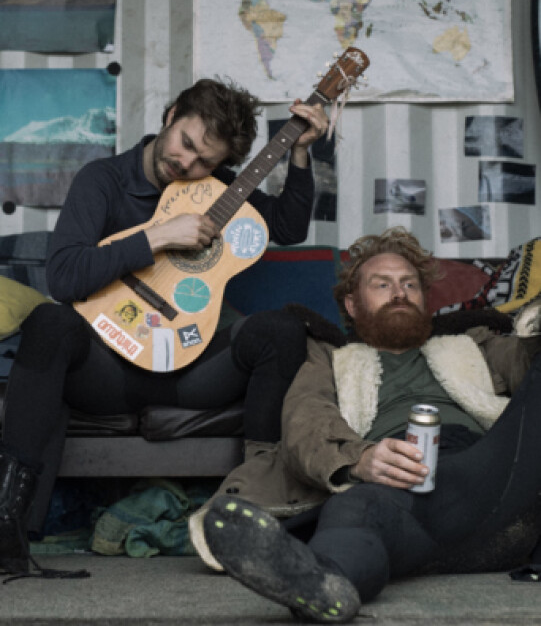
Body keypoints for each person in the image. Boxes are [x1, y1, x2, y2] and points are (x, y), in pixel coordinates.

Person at [0, 77, 329, 576]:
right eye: (185, 143)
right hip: (106, 371)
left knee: (282, 330)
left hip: (189, 371)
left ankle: (258, 512)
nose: (186, 164)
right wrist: (157, 236)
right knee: (48, 321)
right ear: (171, 114)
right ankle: (7, 523)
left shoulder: (214, 190)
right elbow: (63, 277)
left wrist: (300, 154)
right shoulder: (103, 179)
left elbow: (285, 227)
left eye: (204, 162)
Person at [190, 226, 541, 624]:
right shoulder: (329, 358)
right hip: (402, 492)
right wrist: (360, 460)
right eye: (382, 284)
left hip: (494, 474)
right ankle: (322, 586)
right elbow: (306, 421)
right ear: (353, 304)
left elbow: (525, 362)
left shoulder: (471, 343)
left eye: (410, 284)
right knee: (355, 507)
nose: (399, 293)